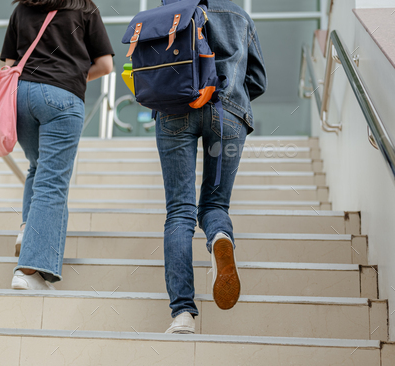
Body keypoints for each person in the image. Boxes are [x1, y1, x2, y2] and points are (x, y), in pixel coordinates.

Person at [159, 0, 267, 333]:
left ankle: (183, 315)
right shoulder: (240, 15)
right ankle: (220, 235)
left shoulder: (166, 14)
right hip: (228, 113)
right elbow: (258, 81)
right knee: (215, 203)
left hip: (177, 108)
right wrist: (229, 95)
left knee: (180, 211)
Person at [0, 0, 114, 290]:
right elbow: (105, 64)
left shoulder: (21, 9)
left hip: (22, 97)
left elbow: (9, 64)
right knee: (53, 180)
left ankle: (28, 229)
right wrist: (71, 76)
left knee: (38, 167)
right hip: (62, 97)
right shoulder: (84, 8)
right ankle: (30, 270)